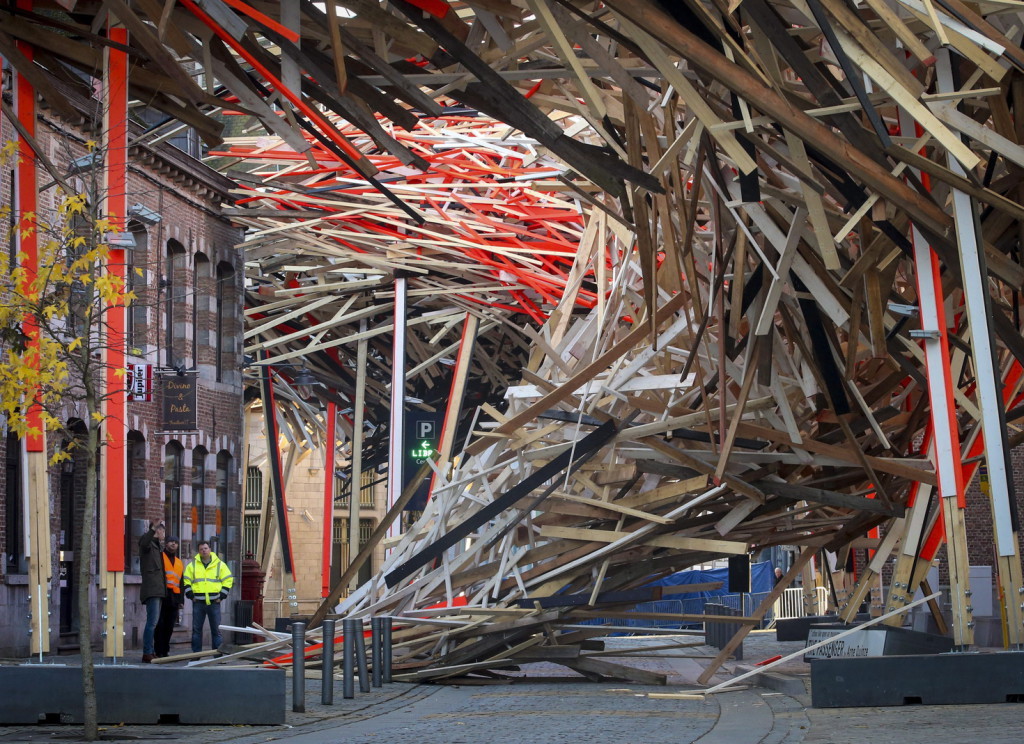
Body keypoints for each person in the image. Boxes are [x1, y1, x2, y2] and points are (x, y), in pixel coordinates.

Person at [183, 540, 234, 653]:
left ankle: (217, 655)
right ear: (198, 551)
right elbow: (186, 581)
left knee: (216, 630)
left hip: (214, 602)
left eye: (205, 548)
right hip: (198, 602)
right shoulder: (192, 565)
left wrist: (222, 595)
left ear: (210, 549)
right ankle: (196, 655)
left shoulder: (219, 564)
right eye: (201, 549)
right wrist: (191, 595)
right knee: (196, 630)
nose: (204, 551)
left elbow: (228, 579)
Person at [138, 522, 166, 663]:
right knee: (152, 622)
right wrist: (152, 529)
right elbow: (144, 544)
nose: (164, 535)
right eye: (163, 532)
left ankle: (151, 650)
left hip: (159, 590)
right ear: (158, 531)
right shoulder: (147, 544)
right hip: (152, 590)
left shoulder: (157, 547)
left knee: (154, 623)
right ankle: (147, 652)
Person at [153, 535, 184, 658]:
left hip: (174, 597)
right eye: (171, 542)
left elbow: (181, 582)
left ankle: (165, 649)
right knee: (159, 624)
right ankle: (158, 649)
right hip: (162, 594)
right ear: (166, 544)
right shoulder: (160, 557)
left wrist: (181, 600)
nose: (173, 544)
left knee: (170, 625)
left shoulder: (179, 562)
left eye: (176, 542)